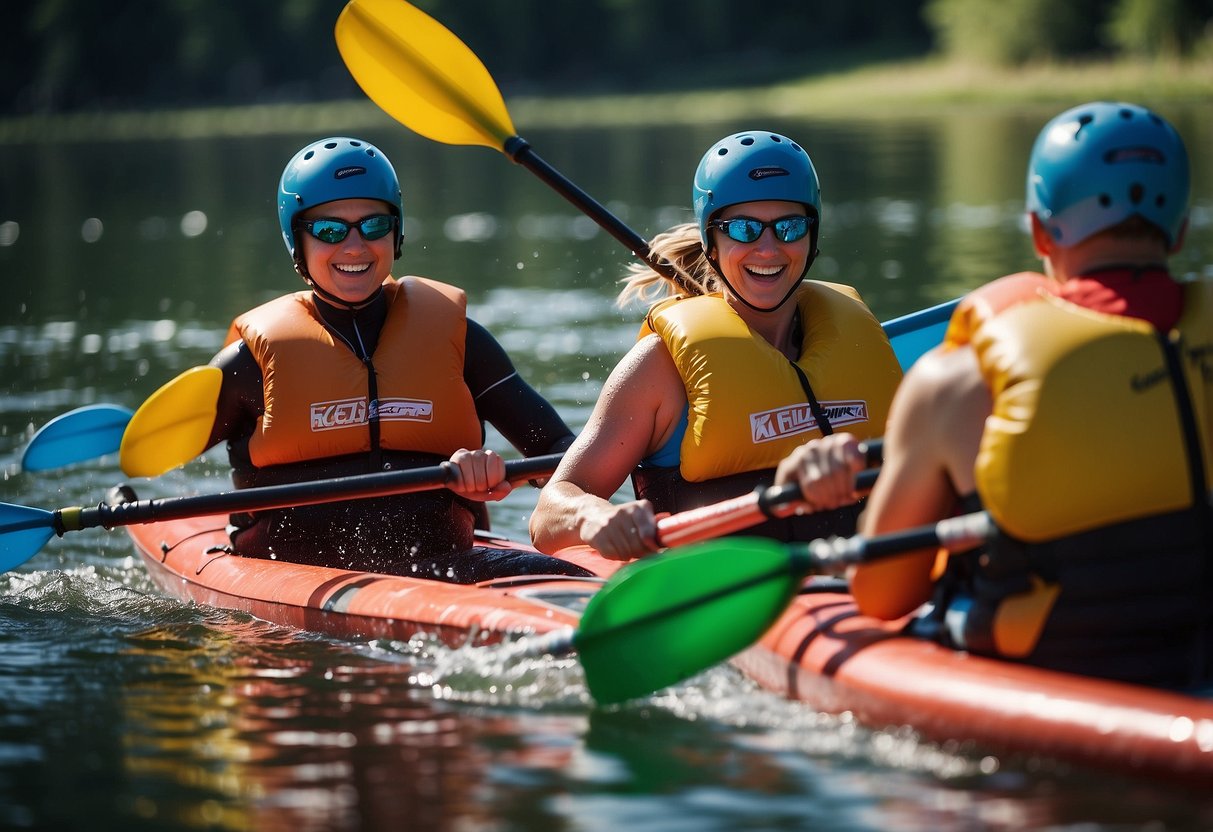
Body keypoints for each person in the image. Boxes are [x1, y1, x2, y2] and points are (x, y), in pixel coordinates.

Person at [776, 102, 1213, 688]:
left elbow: (880, 594)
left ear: (1038, 228)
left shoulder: (956, 382)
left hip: (1065, 677)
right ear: (1180, 229)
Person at [200, 136, 591, 582]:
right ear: (297, 241)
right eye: (330, 230)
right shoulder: (249, 364)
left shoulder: (458, 339)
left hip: (441, 564)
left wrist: (501, 474)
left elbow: (564, 454)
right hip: (287, 573)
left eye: (373, 226)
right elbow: (160, 449)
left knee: (575, 580)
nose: (354, 246)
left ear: (396, 232)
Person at [530, 130, 903, 559]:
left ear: (812, 237)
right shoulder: (659, 368)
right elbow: (547, 515)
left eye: (790, 227)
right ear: (712, 241)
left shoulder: (859, 346)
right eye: (743, 229)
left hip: (857, 588)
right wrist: (591, 515)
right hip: (720, 602)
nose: (768, 248)